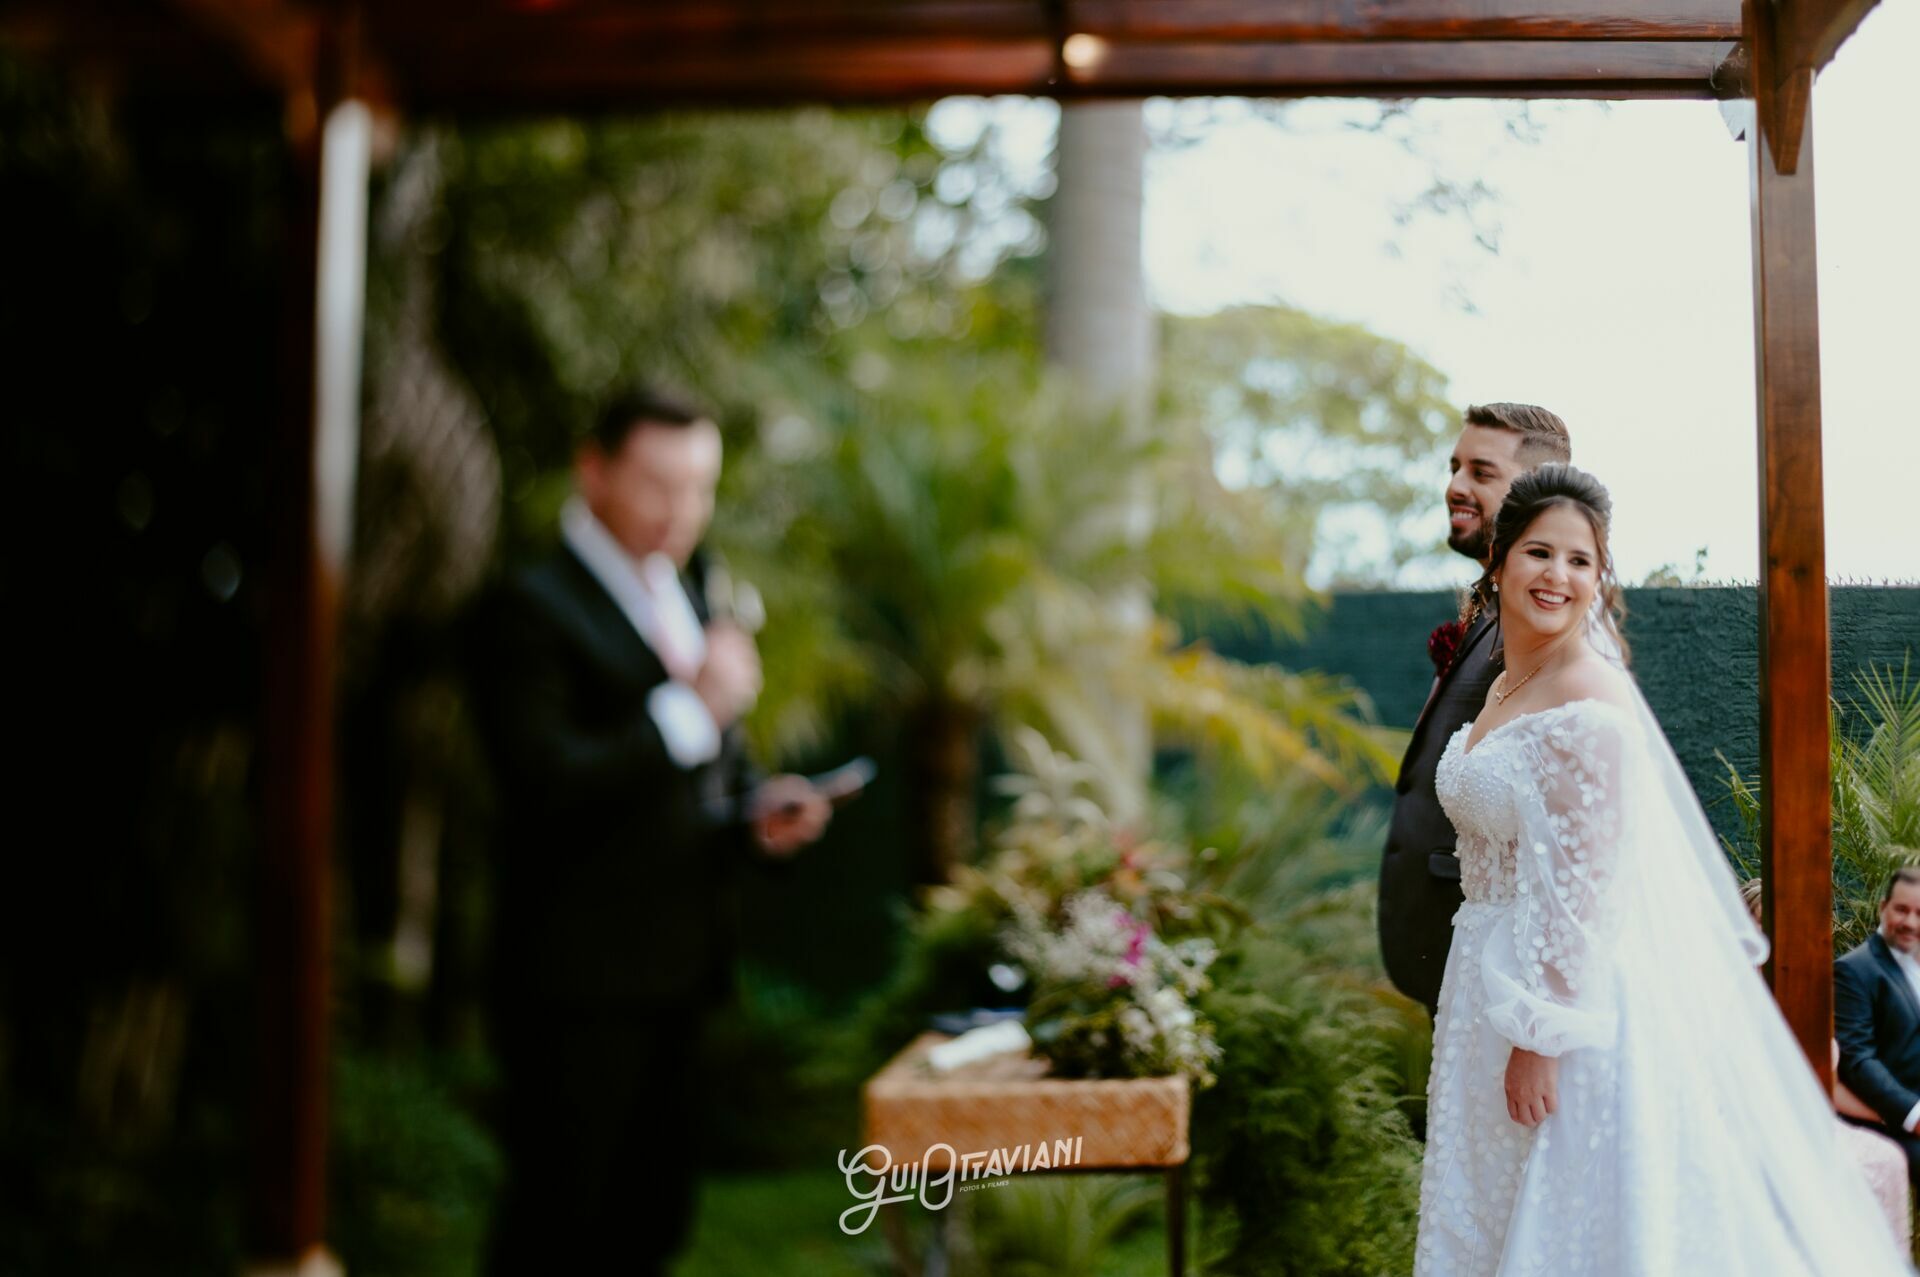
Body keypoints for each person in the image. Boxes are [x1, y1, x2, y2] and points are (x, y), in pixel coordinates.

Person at [1413, 464, 1911, 1275]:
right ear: (1498, 562)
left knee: (1558, 1217)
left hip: (1559, 1008)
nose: (1559, 575)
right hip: (1484, 983)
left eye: (1581, 560)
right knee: (1484, 1204)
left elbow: (1584, 887)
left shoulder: (1589, 693)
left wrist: (1541, 1037)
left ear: (1599, 577)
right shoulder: (1505, 683)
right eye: (1540, 552)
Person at [466, 386, 835, 1277]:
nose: (682, 510)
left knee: (652, 1225)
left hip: (683, 969)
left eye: (700, 487)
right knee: (557, 1229)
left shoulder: (694, 586)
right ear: (593, 470)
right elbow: (544, 782)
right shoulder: (528, 605)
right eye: (659, 484)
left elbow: (709, 769)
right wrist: (691, 708)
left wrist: (760, 816)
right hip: (575, 981)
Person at [1380, 402, 1572, 1017]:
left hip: (1500, 968)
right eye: (1454, 467)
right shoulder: (1490, 612)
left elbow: (1565, 833)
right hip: (1457, 953)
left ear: (1536, 495)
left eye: (1481, 472)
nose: (1455, 487)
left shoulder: (1545, 628)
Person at [1836, 868, 1920, 1186]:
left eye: (1919, 914)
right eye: (1902, 910)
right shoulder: (1854, 970)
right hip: (1892, 1123)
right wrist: (1915, 1115)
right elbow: (1858, 1061)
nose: (1910, 922)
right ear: (1883, 908)